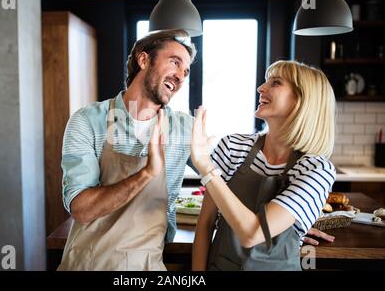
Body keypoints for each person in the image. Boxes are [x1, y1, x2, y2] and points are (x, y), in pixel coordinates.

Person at [57, 29, 196, 271]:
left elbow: (227, 172)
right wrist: (147, 173)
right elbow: (81, 208)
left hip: (147, 264)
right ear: (144, 60)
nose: (181, 76)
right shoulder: (89, 120)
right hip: (88, 262)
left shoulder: (184, 129)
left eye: (185, 71)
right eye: (175, 62)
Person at [190, 60, 336, 271]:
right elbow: (205, 224)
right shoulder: (232, 147)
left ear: (301, 101)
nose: (261, 88)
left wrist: (206, 166)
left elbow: (254, 233)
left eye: (275, 83)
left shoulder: (316, 171)